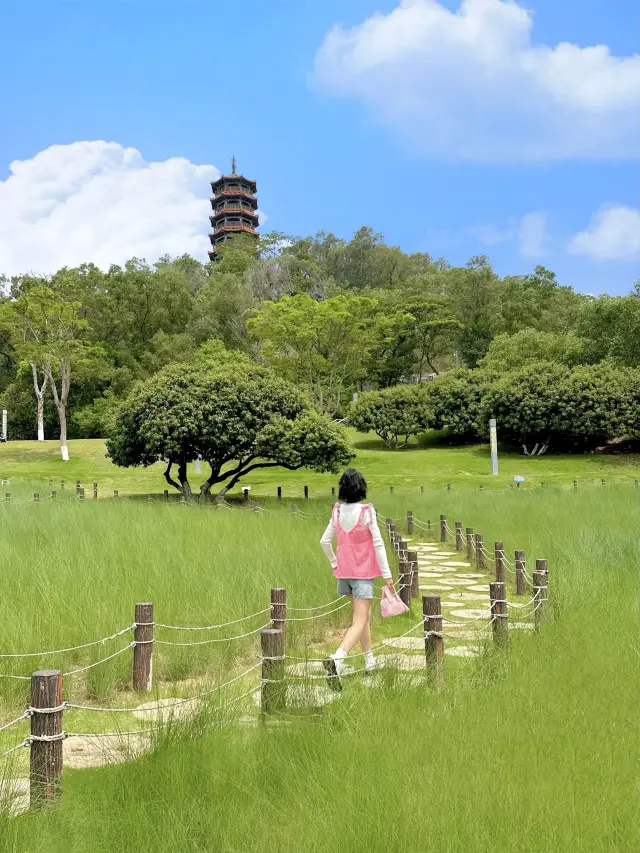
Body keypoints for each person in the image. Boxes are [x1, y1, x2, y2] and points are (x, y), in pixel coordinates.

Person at [320, 468, 394, 690]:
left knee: (363, 616)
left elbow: (324, 542)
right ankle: (338, 659)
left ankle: (369, 660)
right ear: (362, 487)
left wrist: (335, 562)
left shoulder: (337, 511)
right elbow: (379, 544)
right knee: (359, 620)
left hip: (344, 574)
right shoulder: (367, 512)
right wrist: (388, 575)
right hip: (362, 574)